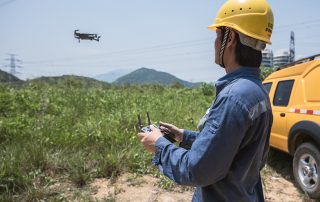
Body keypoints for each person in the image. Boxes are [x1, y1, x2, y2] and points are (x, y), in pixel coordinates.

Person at [137, 0, 274, 201]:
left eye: (218, 35)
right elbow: (230, 146)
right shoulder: (257, 90)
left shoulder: (234, 97)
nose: (215, 42)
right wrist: (184, 136)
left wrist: (158, 145)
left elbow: (197, 170)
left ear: (230, 38)